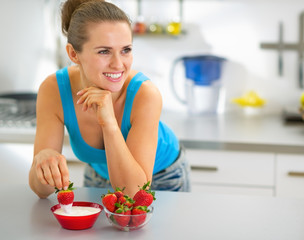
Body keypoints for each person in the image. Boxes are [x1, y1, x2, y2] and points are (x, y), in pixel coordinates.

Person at [29, 0, 190, 199]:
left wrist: (109, 122)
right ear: (73, 53)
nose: (118, 64)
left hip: (162, 177)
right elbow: (41, 191)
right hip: (99, 175)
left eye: (126, 50)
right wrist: (42, 163)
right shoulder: (54, 89)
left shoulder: (145, 94)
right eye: (104, 51)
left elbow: (135, 194)